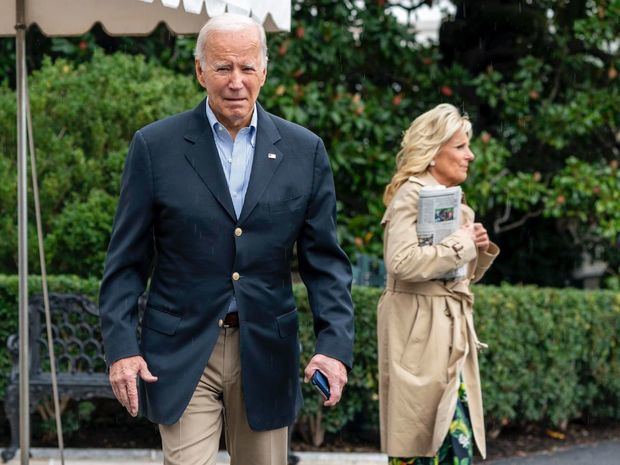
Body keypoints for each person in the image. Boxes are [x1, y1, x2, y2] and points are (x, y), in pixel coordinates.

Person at [99, 13, 354, 465]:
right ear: (200, 71)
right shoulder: (155, 147)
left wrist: (334, 348)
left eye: (246, 67)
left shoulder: (304, 150)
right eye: (222, 68)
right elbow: (125, 262)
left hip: (265, 350)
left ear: (264, 70)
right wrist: (122, 350)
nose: (236, 81)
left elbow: (325, 264)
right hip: (180, 350)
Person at [377, 104, 500, 464]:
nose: (470, 155)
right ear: (433, 152)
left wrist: (475, 247)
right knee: (422, 446)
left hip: (451, 333)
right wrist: (461, 244)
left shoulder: (457, 203)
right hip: (419, 333)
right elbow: (401, 263)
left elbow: (456, 276)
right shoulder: (411, 195)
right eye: (461, 146)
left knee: (453, 442)